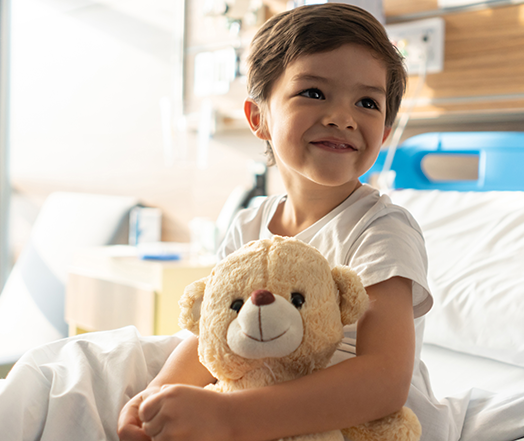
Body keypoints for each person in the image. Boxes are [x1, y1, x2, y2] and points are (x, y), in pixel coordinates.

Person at [117, 3, 453, 441]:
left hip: (357, 424)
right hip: (262, 405)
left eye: (367, 102)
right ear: (259, 118)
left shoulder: (381, 228)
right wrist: (154, 396)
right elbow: (214, 338)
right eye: (314, 93)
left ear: (385, 131)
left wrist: (228, 416)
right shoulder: (248, 224)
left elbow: (384, 380)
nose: (342, 117)